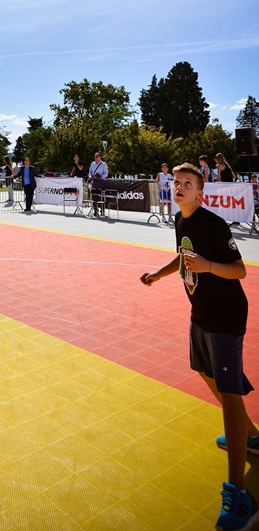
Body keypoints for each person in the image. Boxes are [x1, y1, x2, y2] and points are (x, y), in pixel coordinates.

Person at [140, 163, 259, 530]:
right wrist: (159, 274)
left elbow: (239, 270)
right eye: (176, 182)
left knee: (227, 391)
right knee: (204, 372)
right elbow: (183, 256)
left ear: (200, 193)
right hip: (201, 312)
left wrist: (207, 265)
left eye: (187, 184)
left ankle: (240, 496)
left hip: (225, 316)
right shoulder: (181, 220)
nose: (179, 187)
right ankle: (251, 435)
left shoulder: (212, 223)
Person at [88, 151, 109, 217]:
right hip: (94, 182)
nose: (96, 158)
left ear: (100, 157)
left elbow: (106, 174)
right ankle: (95, 210)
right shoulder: (92, 164)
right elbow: (90, 172)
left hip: (100, 182)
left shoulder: (103, 164)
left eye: (97, 156)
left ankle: (102, 210)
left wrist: (99, 177)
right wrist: (90, 177)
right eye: (95, 156)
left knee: (101, 197)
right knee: (94, 196)